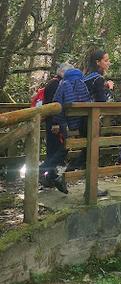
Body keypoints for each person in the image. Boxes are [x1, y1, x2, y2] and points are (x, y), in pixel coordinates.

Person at [39, 62, 74, 193]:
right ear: (64, 72)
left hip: (53, 121)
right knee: (61, 149)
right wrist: (56, 123)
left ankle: (50, 178)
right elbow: (54, 105)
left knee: (53, 151)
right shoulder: (55, 84)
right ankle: (42, 171)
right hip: (55, 122)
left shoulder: (54, 83)